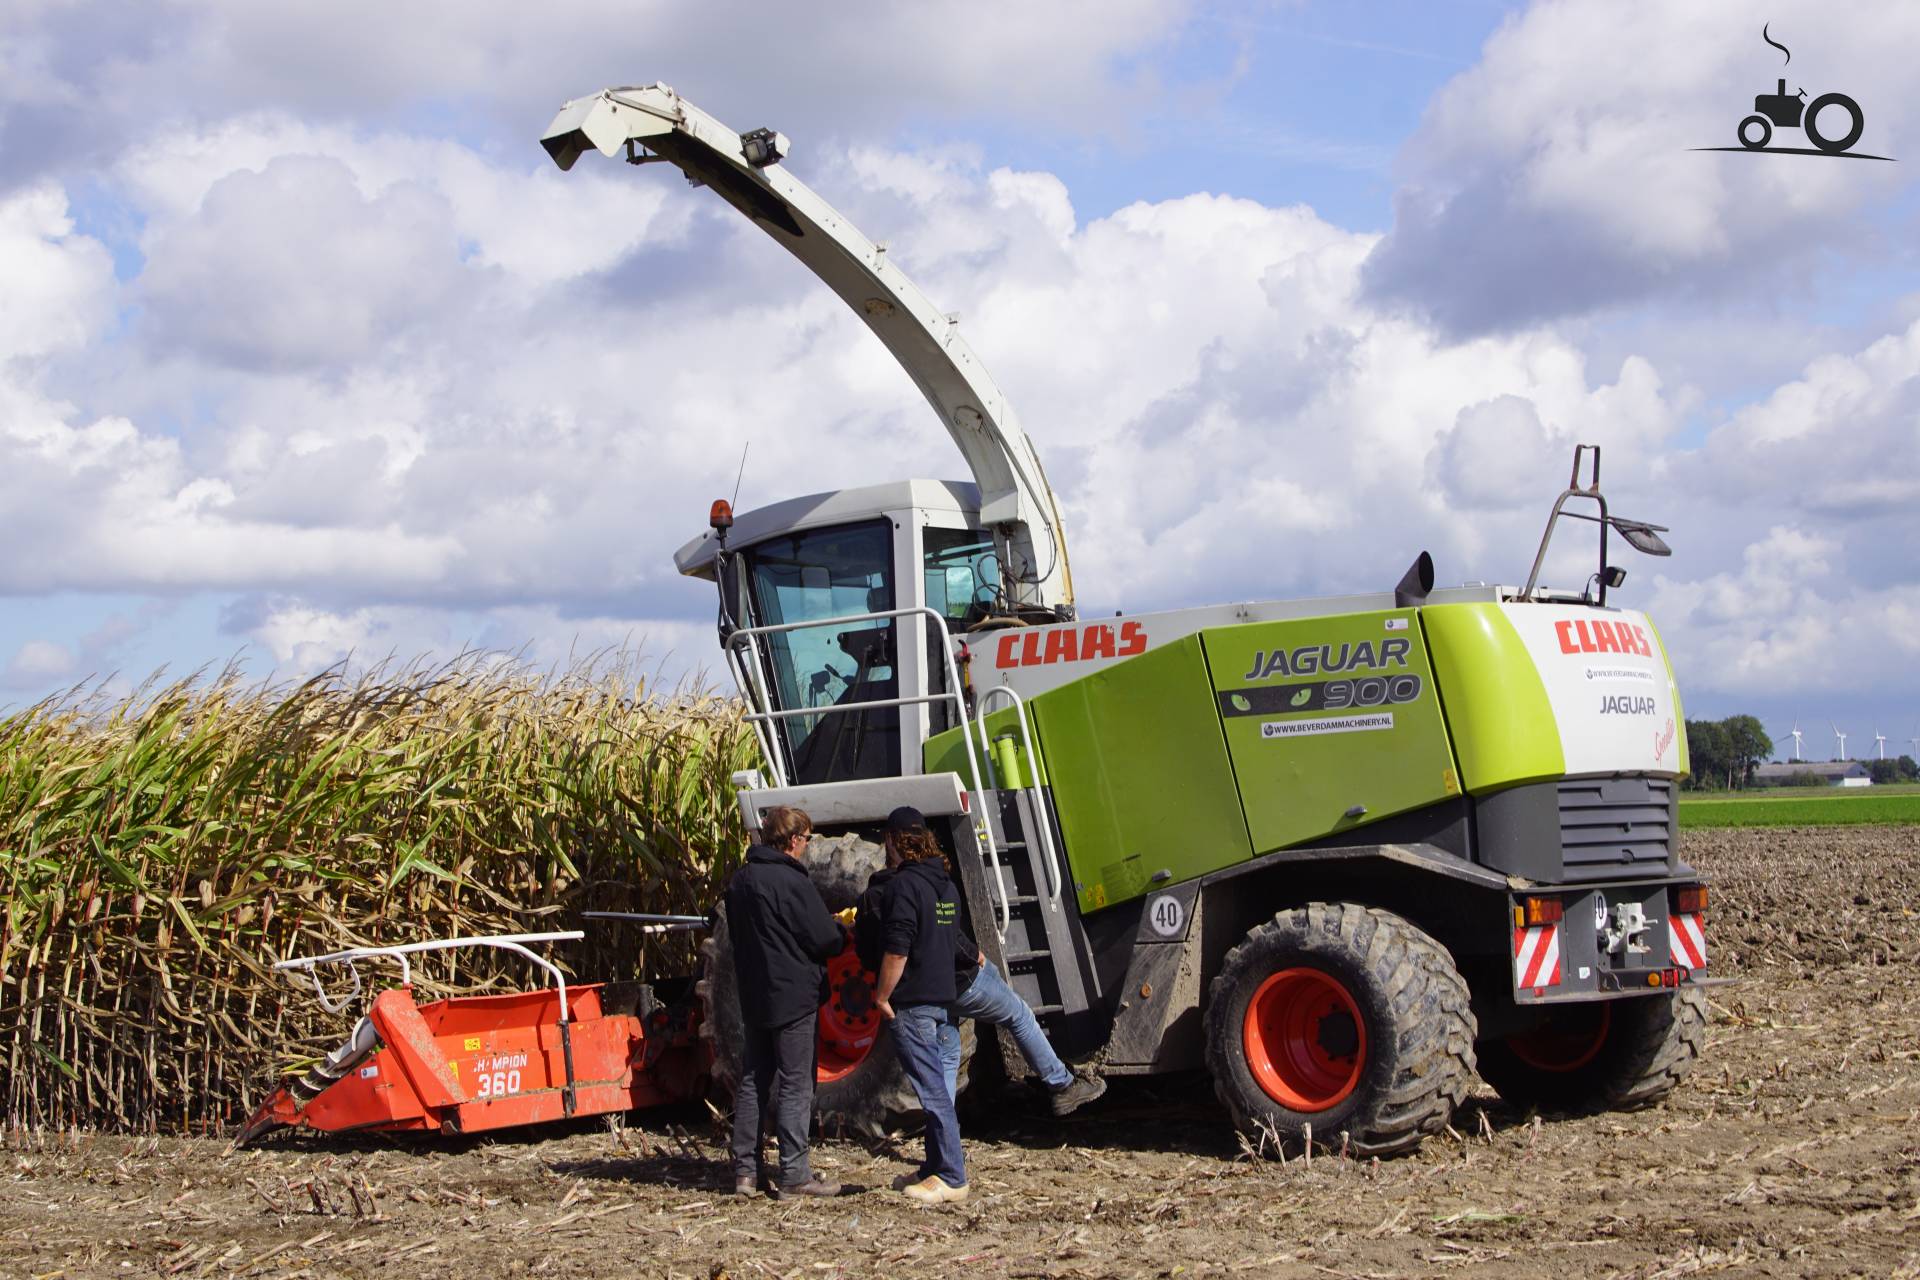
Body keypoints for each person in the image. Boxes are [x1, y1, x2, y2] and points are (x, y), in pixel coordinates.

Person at [853, 813, 1105, 1118]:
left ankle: (941, 1133)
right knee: (1018, 1014)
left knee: (945, 1059)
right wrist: (974, 954)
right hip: (957, 981)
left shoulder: (872, 895)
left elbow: (871, 953)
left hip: (915, 995)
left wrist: (884, 992)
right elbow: (947, 935)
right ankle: (1061, 1085)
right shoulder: (935, 883)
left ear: (890, 842)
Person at [722, 805, 845, 1200]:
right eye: (807, 839)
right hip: (794, 996)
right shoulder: (792, 882)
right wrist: (842, 929)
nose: (808, 847)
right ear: (793, 840)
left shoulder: (740, 881)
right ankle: (794, 1173)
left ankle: (745, 1172)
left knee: (753, 1080)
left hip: (756, 996)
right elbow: (824, 939)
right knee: (795, 1082)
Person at [871, 806, 971, 1205]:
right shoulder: (945, 885)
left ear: (895, 840)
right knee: (940, 1091)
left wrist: (880, 996)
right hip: (946, 1002)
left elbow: (897, 950)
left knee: (932, 1093)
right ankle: (933, 1167)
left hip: (913, 1004)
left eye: (886, 840)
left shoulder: (903, 887)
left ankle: (951, 1176)